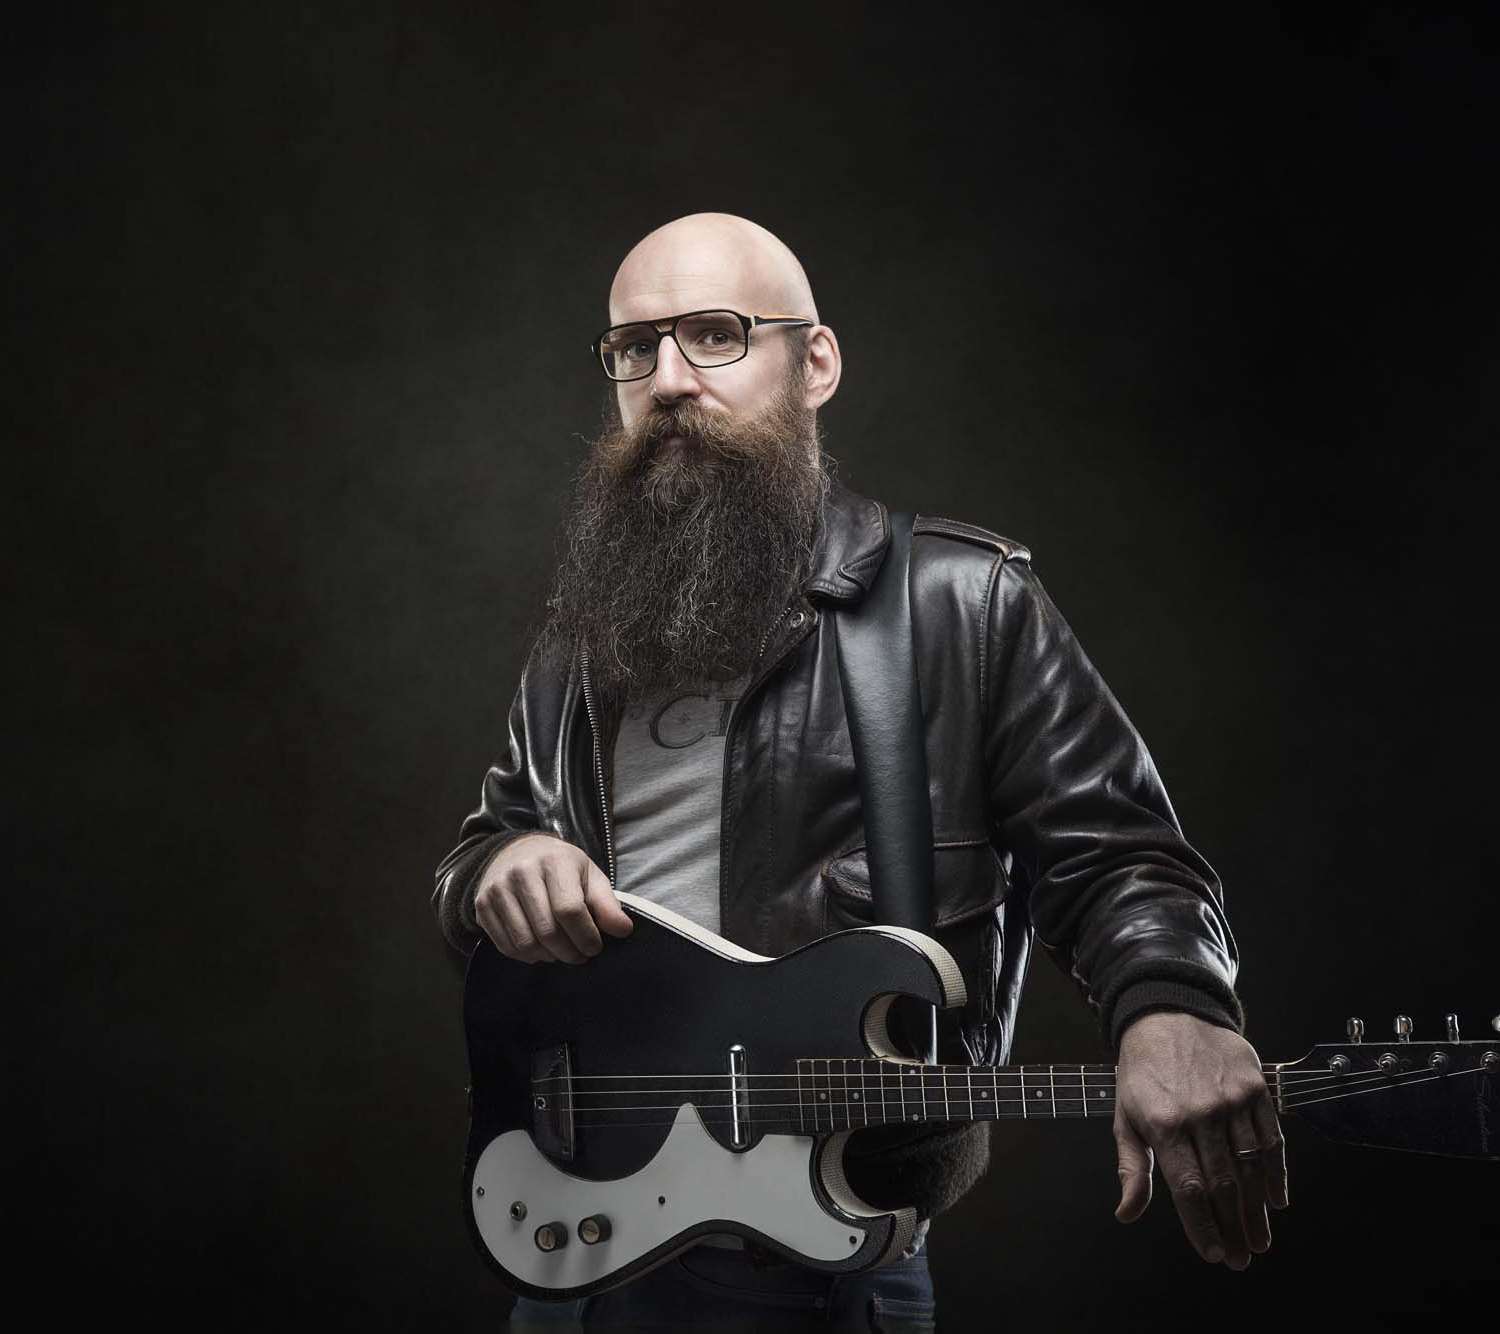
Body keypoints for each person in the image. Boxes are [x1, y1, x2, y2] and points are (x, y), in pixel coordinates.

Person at [433, 212, 1287, 1330]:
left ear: (816, 363)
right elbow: (478, 859)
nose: (670, 380)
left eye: (714, 334)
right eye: (635, 348)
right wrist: (500, 867)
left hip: (839, 1266)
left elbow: (1117, 855)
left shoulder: (962, 603)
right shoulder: (584, 641)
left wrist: (1169, 1001)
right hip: (582, 1257)